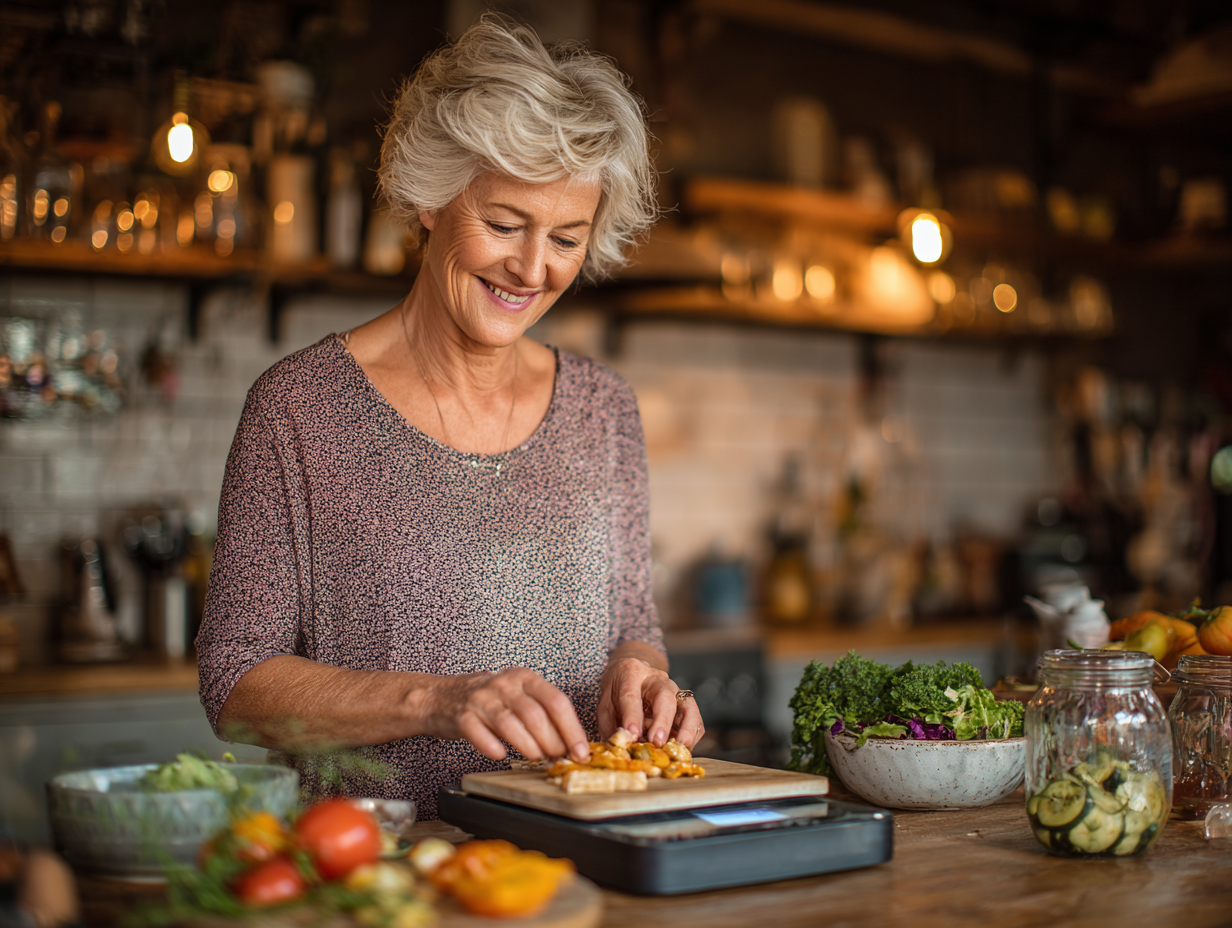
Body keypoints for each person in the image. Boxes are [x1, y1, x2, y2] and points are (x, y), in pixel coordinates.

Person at [196, 16, 704, 819]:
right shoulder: (300, 409)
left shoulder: (603, 409)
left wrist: (641, 680)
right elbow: (235, 685)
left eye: (566, 238)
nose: (532, 269)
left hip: (589, 862)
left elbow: (633, 626)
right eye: (503, 224)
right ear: (430, 198)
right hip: (387, 869)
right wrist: (438, 702)